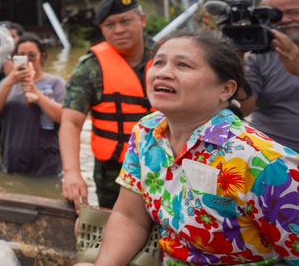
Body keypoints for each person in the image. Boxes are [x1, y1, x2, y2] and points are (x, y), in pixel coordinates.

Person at [92, 31, 299, 265]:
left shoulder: (265, 163)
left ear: (226, 89)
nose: (163, 72)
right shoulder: (146, 133)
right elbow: (130, 216)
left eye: (183, 65)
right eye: (159, 62)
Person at [60, 0, 153, 209]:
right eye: (110, 25)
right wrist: (72, 173)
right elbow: (71, 122)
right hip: (113, 175)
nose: (119, 29)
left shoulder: (167, 58)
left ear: (142, 20)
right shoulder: (90, 69)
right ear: (102, 30)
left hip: (168, 169)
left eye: (125, 21)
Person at [0, 33, 65, 176]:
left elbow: (64, 117)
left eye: (32, 56)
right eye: (22, 56)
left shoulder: (56, 83)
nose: (27, 61)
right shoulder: (7, 83)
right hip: (12, 158)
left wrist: (36, 93)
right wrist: (11, 80)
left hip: (46, 161)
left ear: (42, 56)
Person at [242, 0, 299, 152]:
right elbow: (245, 109)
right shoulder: (257, 56)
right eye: (275, 16)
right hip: (273, 157)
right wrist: (237, 61)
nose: (285, 20)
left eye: (293, 12)